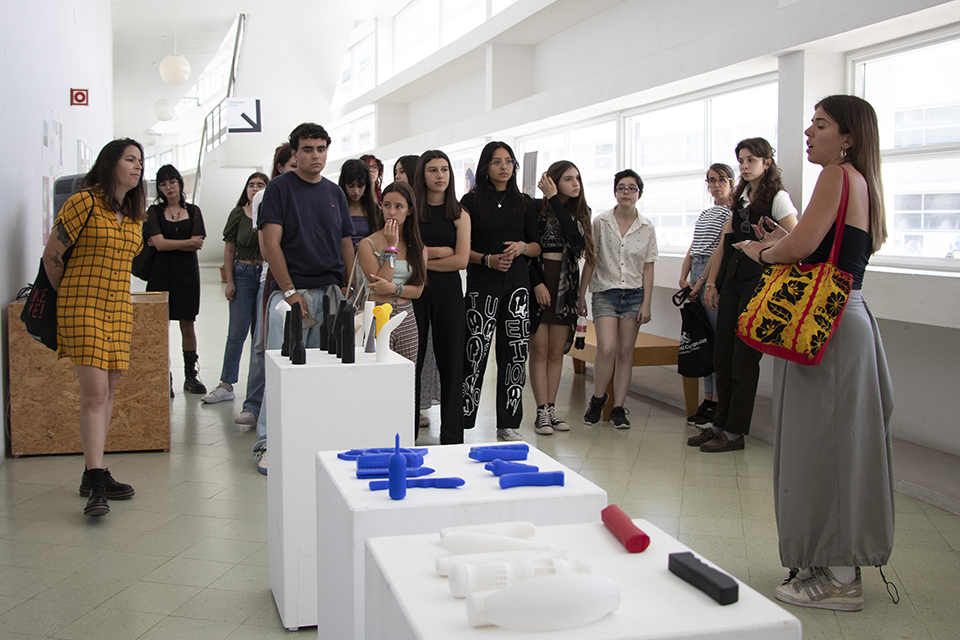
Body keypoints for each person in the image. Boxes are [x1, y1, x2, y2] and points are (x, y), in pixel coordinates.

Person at [735, 95, 894, 612]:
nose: (808, 132)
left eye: (820, 125)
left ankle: (840, 577)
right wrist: (784, 239)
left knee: (826, 447)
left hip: (829, 330)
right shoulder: (859, 181)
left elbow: (801, 250)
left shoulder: (837, 175)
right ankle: (829, 563)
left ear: (848, 137)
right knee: (832, 443)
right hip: (846, 320)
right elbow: (820, 245)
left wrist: (763, 250)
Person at [41, 138, 147, 516]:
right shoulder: (83, 202)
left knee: (109, 391)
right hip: (81, 306)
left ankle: (93, 472)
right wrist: (69, 296)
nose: (138, 166)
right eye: (130, 159)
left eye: (140, 161)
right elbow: (52, 257)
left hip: (118, 310)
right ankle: (97, 479)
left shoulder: (134, 215)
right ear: (109, 163)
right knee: (95, 392)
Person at [253, 123, 355, 474]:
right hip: (291, 295)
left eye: (321, 149)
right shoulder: (279, 189)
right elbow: (271, 244)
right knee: (282, 372)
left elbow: (345, 243)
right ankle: (268, 443)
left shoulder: (334, 192)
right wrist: (290, 292)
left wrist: (348, 287)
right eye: (308, 149)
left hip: (330, 294)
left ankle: (312, 440)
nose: (315, 155)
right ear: (294, 153)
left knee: (322, 374)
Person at [695, 138, 798, 452]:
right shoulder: (740, 197)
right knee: (722, 356)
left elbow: (795, 240)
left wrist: (764, 247)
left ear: (767, 162)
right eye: (741, 160)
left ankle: (735, 432)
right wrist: (711, 283)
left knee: (743, 361)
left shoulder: (778, 198)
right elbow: (725, 242)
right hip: (732, 282)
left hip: (760, 286)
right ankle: (719, 425)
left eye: (751, 160)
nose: (744, 165)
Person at [460, 141, 541, 441]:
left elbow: (536, 246)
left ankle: (508, 422)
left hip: (517, 284)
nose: (504, 167)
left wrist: (522, 247)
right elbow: (461, 249)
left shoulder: (524, 202)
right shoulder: (470, 202)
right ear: (485, 166)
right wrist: (487, 259)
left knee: (515, 353)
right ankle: (463, 419)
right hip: (482, 282)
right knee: (475, 352)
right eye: (497, 161)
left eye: (509, 161)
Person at [578, 169, 657, 428]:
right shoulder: (601, 222)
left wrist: (646, 303)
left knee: (625, 352)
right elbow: (591, 259)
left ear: (639, 194)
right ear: (615, 192)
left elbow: (648, 267)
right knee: (607, 347)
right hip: (605, 291)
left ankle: (619, 408)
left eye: (632, 188)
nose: (626, 192)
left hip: (634, 294)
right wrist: (581, 294)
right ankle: (598, 399)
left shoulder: (647, 227)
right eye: (621, 187)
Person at [358, 181, 429, 435]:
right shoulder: (367, 244)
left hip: (407, 316)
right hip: (377, 314)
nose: (391, 212)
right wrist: (390, 247)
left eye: (399, 206)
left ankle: (402, 434)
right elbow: (378, 285)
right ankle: (375, 432)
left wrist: (394, 289)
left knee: (406, 377)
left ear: (409, 210)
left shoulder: (418, 246)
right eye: (387, 205)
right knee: (376, 378)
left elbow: (417, 290)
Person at [528, 161, 592, 434]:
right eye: (568, 178)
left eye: (577, 178)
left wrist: (555, 199)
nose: (575, 183)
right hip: (540, 283)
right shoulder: (534, 209)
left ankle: (552, 409)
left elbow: (577, 245)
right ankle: (541, 410)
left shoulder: (580, 213)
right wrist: (537, 284)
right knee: (539, 350)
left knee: (556, 352)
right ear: (553, 181)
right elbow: (529, 250)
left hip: (565, 287)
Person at [411, 150, 471, 444]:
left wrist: (421, 260)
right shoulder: (411, 213)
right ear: (422, 175)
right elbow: (405, 256)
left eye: (445, 169)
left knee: (452, 361)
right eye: (433, 170)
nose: (440, 175)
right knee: (412, 360)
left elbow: (461, 260)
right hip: (415, 291)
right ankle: (406, 430)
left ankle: (452, 436)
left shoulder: (460, 214)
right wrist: (435, 253)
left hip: (448, 291)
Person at [235, 144, 295, 427]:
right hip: (271, 279)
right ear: (279, 167)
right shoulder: (265, 196)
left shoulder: (314, 192)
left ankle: (287, 407)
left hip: (304, 281)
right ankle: (253, 404)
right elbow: (266, 247)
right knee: (262, 344)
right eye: (292, 164)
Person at [201, 172, 269, 404]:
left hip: (264, 274)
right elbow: (229, 249)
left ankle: (258, 389)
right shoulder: (238, 214)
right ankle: (226, 384)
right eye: (251, 185)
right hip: (242, 274)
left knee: (260, 337)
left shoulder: (270, 212)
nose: (255, 189)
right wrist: (230, 281)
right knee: (237, 333)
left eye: (260, 185)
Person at [678, 163, 735, 427]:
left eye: (721, 180)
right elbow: (694, 247)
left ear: (731, 182)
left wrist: (702, 281)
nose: (715, 185)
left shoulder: (731, 213)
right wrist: (684, 276)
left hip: (712, 275)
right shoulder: (706, 213)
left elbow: (718, 250)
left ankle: (718, 402)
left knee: (716, 340)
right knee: (703, 339)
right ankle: (708, 398)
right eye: (711, 181)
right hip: (697, 272)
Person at [145, 165, 207, 395]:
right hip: (160, 273)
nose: (168, 187)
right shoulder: (154, 212)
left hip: (186, 274)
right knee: (160, 326)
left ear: (180, 183)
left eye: (172, 182)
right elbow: (160, 244)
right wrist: (187, 242)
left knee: (187, 324)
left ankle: (191, 375)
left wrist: (166, 243)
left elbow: (198, 243)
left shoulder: (194, 210)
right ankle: (164, 376)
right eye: (163, 184)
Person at [339, 158, 381, 249]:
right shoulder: (336, 208)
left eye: (360, 186)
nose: (356, 191)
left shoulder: (374, 210)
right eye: (351, 186)